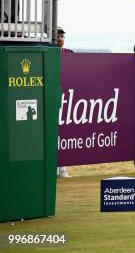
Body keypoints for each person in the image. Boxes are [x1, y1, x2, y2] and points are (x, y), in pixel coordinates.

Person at [56, 26, 73, 178]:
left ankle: (63, 168)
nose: (59, 38)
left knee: (65, 133)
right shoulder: (47, 53)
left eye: (62, 36)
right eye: (57, 35)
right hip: (52, 98)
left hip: (68, 99)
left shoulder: (69, 54)